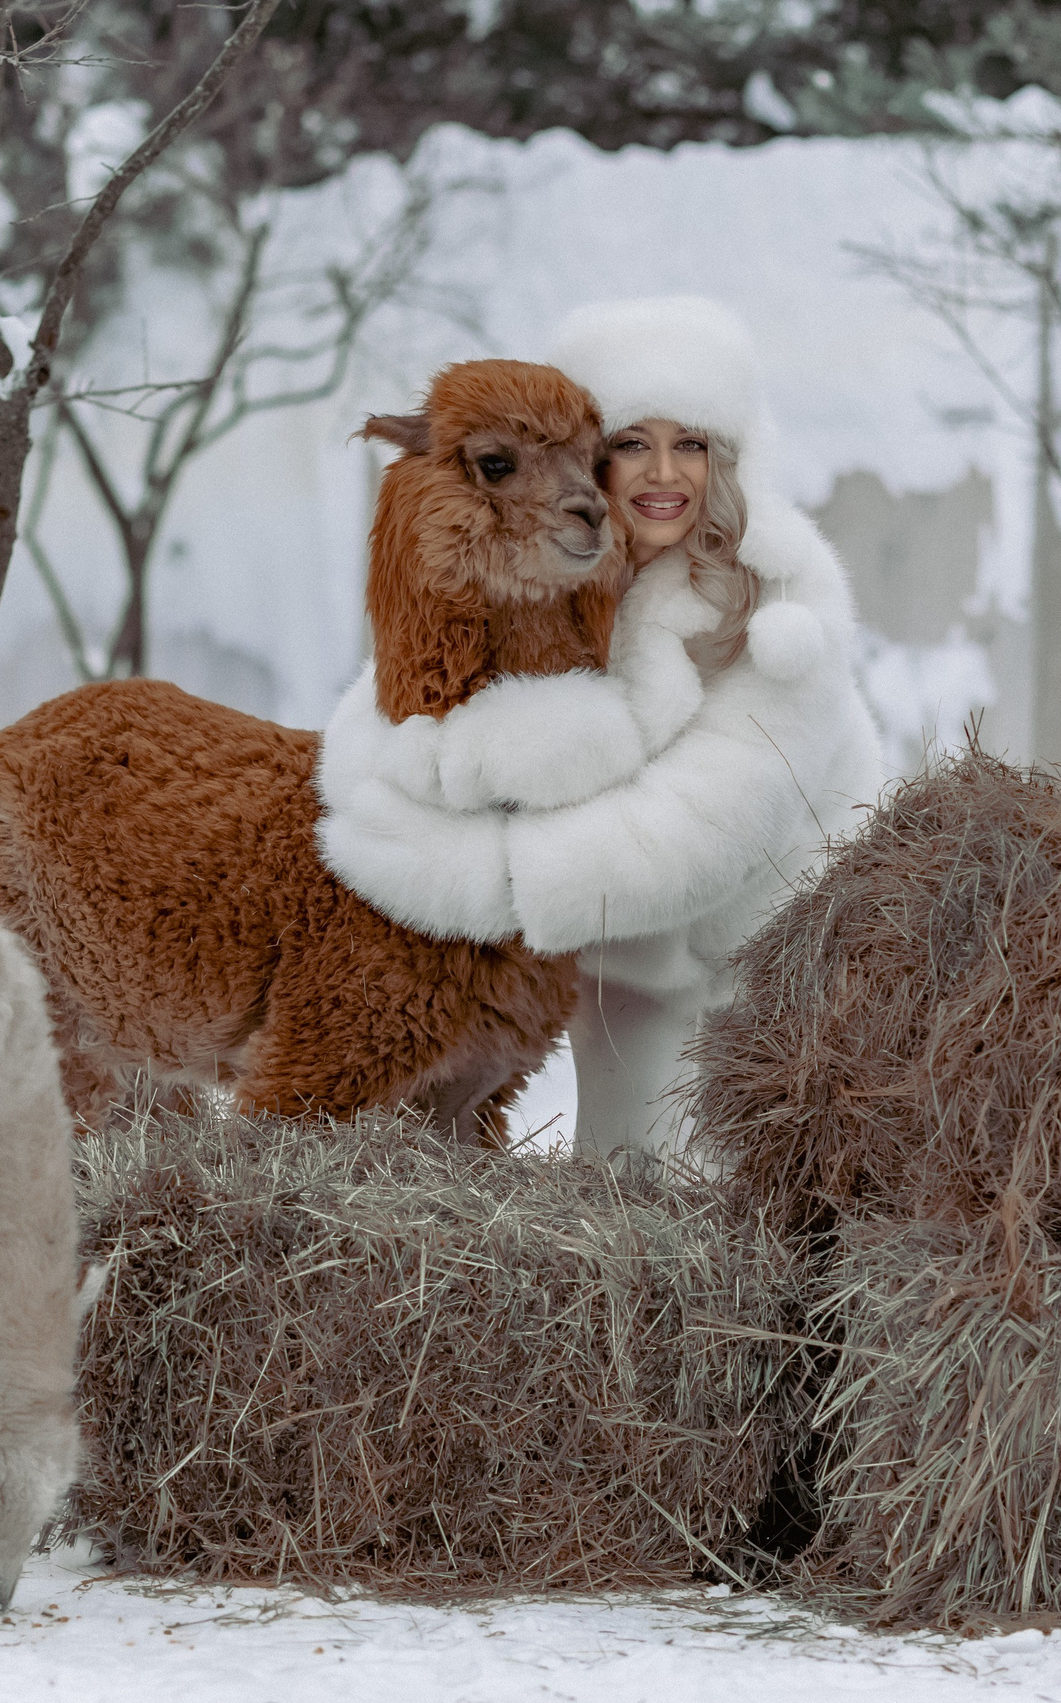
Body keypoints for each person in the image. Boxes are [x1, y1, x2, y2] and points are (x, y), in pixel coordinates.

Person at [315, 295, 887, 1158]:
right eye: (631, 444)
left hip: (753, 999)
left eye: (689, 443)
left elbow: (692, 838)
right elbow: (403, 706)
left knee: (692, 1217)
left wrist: (459, 873)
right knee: (616, 1200)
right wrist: (400, 779)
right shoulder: (567, 573)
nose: (663, 474)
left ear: (724, 457)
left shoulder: (774, 616)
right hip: (615, 976)